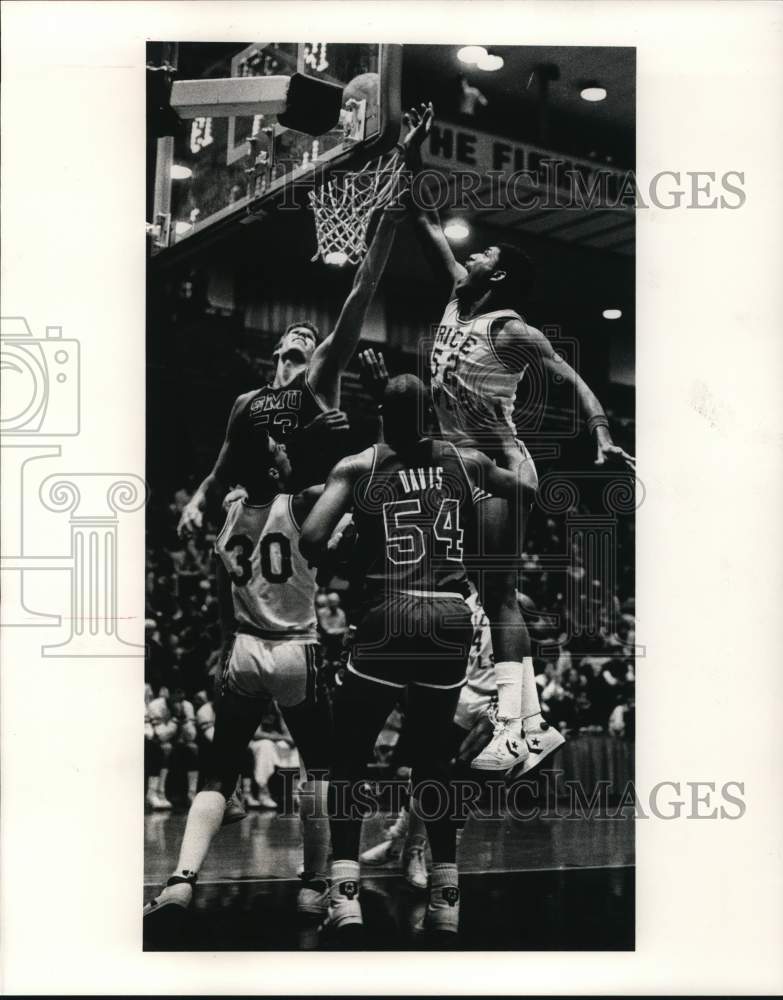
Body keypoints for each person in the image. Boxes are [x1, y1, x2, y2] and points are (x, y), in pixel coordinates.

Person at [399, 103, 634, 770]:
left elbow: (571, 378)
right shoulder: (453, 295)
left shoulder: (508, 328)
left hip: (499, 464)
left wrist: (600, 433)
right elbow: (421, 218)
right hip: (455, 463)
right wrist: (411, 152)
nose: (471, 252)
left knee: (497, 594)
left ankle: (514, 727)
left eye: (485, 253)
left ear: (497, 276)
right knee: (471, 592)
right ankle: (527, 723)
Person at [300, 374, 537, 936]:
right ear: (430, 417)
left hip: (389, 612)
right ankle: (446, 900)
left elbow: (311, 540)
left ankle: (345, 897)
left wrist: (350, 546)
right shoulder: (467, 461)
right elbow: (526, 489)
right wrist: (511, 443)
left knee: (350, 758)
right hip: (450, 621)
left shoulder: (359, 465)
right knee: (433, 762)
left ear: (381, 417)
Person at [143, 433, 332, 927]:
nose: (288, 453)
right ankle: (314, 886)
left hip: (244, 649)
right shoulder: (305, 502)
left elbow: (225, 601)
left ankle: (181, 881)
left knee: (218, 773)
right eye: (279, 452)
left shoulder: (229, 517)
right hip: (297, 648)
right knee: (320, 770)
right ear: (273, 472)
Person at [177, 205, 404, 538]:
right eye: (295, 333)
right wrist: (194, 503)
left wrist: (386, 225)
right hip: (254, 513)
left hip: (303, 513)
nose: (304, 335)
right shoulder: (246, 402)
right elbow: (219, 473)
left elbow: (360, 295)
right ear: (277, 350)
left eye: (312, 338)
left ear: (318, 356)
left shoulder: (319, 380)